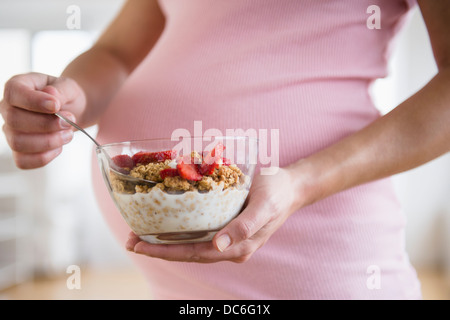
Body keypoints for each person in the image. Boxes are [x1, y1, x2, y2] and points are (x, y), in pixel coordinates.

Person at [1, 0, 449, 299]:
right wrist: (68, 97)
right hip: (178, 281)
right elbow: (117, 52)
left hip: (316, 262)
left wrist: (303, 182)